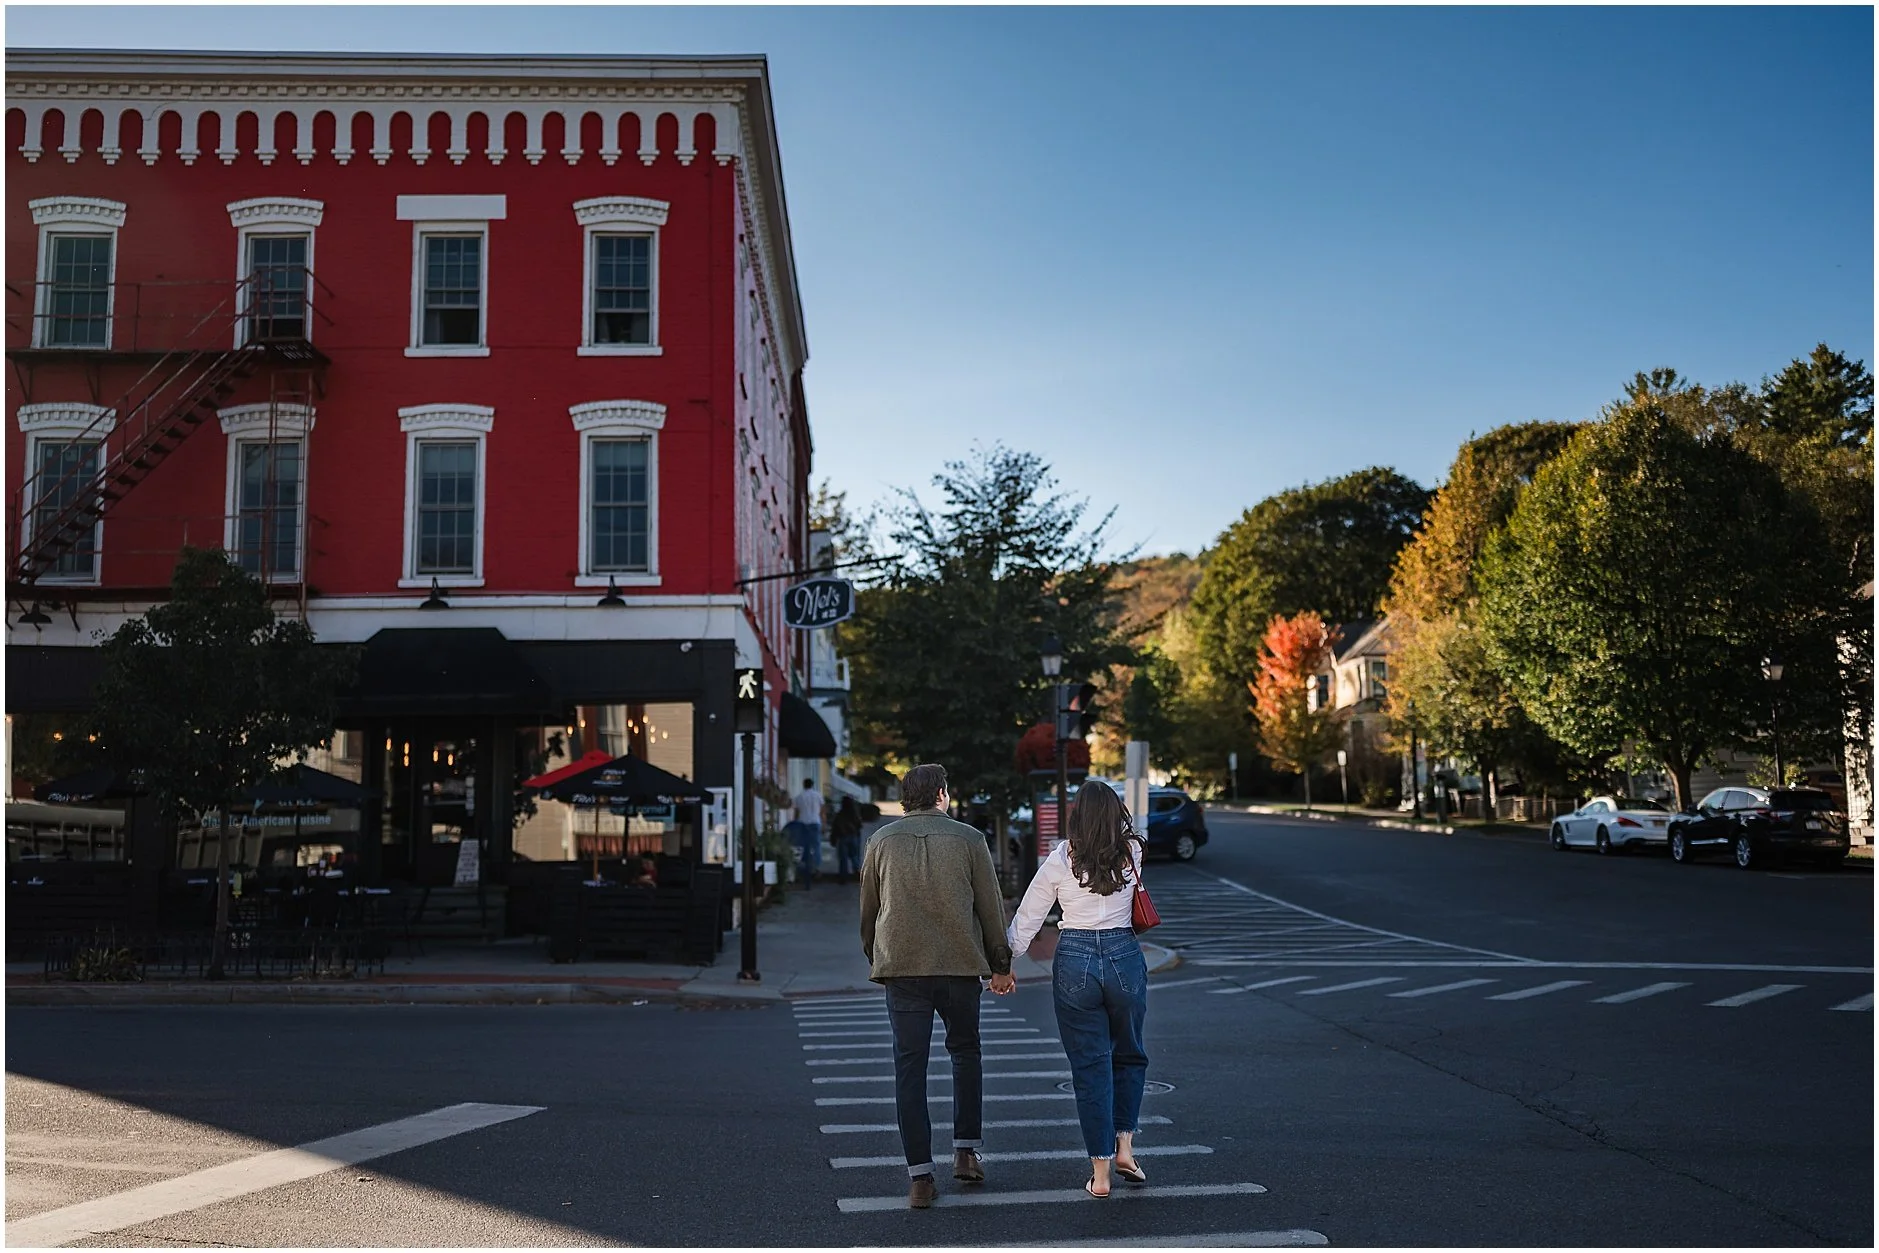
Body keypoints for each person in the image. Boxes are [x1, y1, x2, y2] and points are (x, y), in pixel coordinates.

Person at [859, 762, 1016, 1209]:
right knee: (965, 1053)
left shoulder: (881, 841)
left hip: (903, 968)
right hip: (960, 966)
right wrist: (999, 964)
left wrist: (877, 955)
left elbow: (868, 908)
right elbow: (990, 909)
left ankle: (920, 1178)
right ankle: (966, 1151)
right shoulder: (969, 839)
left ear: (906, 798)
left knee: (910, 1069)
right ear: (943, 794)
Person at [1007, 781, 1149, 1200]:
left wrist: (1003, 964)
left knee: (1090, 1067)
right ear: (1115, 812)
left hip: (1076, 959)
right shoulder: (1133, 851)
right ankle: (1126, 1147)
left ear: (1077, 815)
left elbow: (1029, 916)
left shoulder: (1059, 859)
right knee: (1130, 1054)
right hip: (1124, 953)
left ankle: (1100, 1174)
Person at [791, 778, 825, 888]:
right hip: (815, 822)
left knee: (803, 846)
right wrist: (823, 822)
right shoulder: (817, 795)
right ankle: (817, 868)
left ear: (803, 785)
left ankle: (805, 867)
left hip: (803, 823)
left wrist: (794, 823)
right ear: (812, 785)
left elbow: (796, 812)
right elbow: (822, 810)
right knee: (816, 846)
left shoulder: (799, 797)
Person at [830, 796, 864, 884]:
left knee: (843, 858)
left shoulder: (840, 814)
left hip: (842, 837)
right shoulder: (855, 814)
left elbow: (835, 827)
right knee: (854, 856)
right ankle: (857, 873)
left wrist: (833, 839)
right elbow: (859, 825)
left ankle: (843, 876)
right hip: (853, 837)